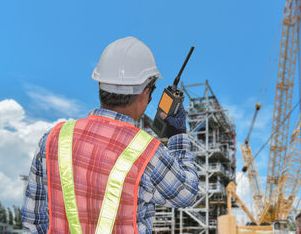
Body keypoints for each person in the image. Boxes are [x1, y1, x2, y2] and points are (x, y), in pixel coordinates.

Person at [21, 37, 199, 234]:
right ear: (145, 93)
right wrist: (178, 135)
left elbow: (33, 222)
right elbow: (187, 194)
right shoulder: (149, 153)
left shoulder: (53, 139)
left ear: (99, 85)